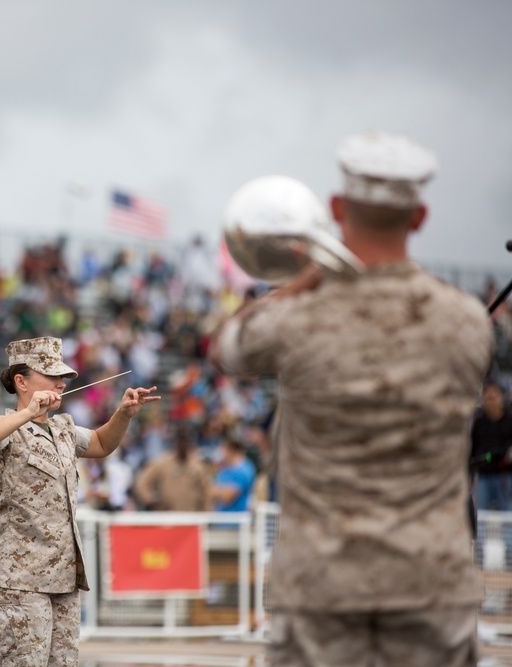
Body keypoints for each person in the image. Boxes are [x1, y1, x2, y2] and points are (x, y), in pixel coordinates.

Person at [210, 131, 492, 667]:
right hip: (432, 583)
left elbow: (226, 348)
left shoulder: (296, 318)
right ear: (420, 218)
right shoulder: (466, 320)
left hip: (322, 585)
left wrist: (302, 283)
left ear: (336, 209)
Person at [0, 336, 159, 666]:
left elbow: (100, 443)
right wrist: (27, 413)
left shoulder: (64, 429)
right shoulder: (5, 428)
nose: (60, 383)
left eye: (63, 378)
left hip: (63, 579)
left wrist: (124, 414)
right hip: (18, 583)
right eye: (51, 375)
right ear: (21, 381)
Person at [133, 425, 211, 512]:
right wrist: (152, 500)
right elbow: (141, 482)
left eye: (185, 441)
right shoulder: (163, 463)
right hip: (169, 517)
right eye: (180, 441)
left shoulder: (198, 465)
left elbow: (207, 492)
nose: (183, 444)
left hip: (192, 516)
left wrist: (206, 514)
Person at [470, 380, 512, 512]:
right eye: (488, 396)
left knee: (508, 514)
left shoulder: (509, 421)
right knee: (480, 514)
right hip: (483, 477)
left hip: (505, 477)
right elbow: (471, 448)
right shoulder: (478, 423)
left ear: (501, 397)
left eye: (494, 396)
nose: (491, 399)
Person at [208, 433, 256, 513]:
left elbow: (227, 497)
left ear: (231, 450)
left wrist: (217, 491)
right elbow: (210, 491)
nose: (221, 453)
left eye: (223, 449)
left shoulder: (244, 470)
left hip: (236, 521)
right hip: (221, 520)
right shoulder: (225, 468)